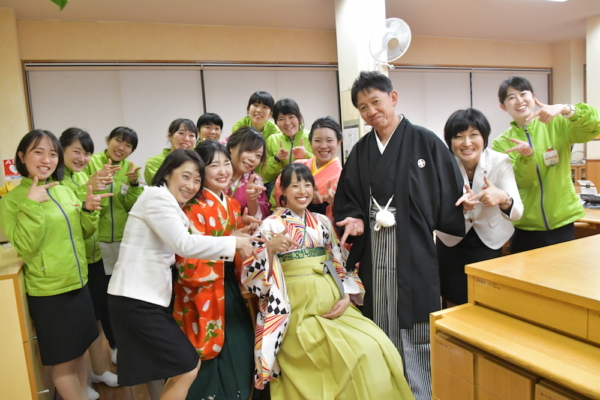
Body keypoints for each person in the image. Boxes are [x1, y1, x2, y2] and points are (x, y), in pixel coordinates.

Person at [333, 71, 465, 400]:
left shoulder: (425, 141)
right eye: (363, 107)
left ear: (393, 98)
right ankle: (386, 390)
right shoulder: (362, 150)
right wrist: (356, 218)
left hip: (415, 246)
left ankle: (421, 392)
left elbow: (449, 192)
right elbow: (348, 197)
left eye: (375, 102)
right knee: (379, 316)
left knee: (416, 320)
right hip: (375, 248)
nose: (371, 111)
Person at [242, 163, 415, 400]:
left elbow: (338, 261)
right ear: (283, 191)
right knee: (346, 356)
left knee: (376, 344)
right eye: (295, 186)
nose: (302, 191)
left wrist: (346, 296)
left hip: (333, 302)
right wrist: (269, 250)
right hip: (294, 310)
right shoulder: (271, 224)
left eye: (307, 185)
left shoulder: (322, 222)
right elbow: (251, 275)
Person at [107, 149, 255, 400]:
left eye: (196, 179)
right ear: (166, 173)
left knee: (182, 367)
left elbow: (192, 239)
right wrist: (233, 243)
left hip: (146, 297)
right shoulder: (157, 198)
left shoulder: (172, 204)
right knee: (186, 365)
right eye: (185, 176)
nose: (191, 185)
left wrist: (233, 237)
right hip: (136, 298)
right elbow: (183, 244)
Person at [0, 129, 111, 400]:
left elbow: (82, 234)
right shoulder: (12, 201)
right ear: (21, 157)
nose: (46, 159)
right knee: (62, 363)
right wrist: (31, 206)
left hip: (79, 283)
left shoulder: (62, 189)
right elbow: (25, 245)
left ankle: (83, 393)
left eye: (52, 154)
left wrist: (88, 210)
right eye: (38, 152)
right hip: (50, 292)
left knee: (80, 351)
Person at [173, 141, 257, 400]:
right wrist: (230, 241)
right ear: (201, 171)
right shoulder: (191, 208)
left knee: (241, 345)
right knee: (205, 352)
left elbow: (237, 244)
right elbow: (187, 260)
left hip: (228, 284)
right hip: (203, 288)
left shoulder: (231, 204)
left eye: (226, 164)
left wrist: (242, 234)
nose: (223, 171)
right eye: (213, 165)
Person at [492, 76, 600, 253]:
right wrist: (526, 158)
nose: (519, 100)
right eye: (511, 97)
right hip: (524, 225)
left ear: (533, 97)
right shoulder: (501, 143)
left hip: (562, 221)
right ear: (503, 107)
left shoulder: (558, 124)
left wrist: (566, 109)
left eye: (523, 94)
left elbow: (595, 126)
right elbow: (521, 182)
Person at [435, 109, 523, 307]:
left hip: (489, 241)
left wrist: (503, 198)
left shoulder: (500, 161)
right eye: (459, 136)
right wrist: (458, 209)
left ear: (484, 137)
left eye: (474, 135)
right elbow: (432, 208)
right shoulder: (441, 163)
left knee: (487, 300)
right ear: (450, 141)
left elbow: (517, 212)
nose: (467, 143)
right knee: (452, 298)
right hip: (451, 240)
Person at [59, 128, 121, 394]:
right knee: (78, 326)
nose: (82, 158)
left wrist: (93, 188)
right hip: (73, 261)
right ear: (61, 150)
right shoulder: (57, 182)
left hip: (93, 256)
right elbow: (70, 218)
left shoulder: (82, 176)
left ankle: (99, 370)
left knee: (95, 318)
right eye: (76, 151)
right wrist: (88, 190)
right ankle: (81, 381)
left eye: (86, 153)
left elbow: (91, 216)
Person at [84, 126, 143, 366]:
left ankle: (131, 342)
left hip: (123, 241)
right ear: (108, 140)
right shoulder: (91, 163)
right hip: (98, 243)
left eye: (128, 145)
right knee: (106, 298)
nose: (122, 147)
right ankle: (115, 345)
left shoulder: (130, 169)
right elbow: (81, 196)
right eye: (119, 140)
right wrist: (95, 181)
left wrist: (135, 185)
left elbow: (132, 206)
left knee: (126, 295)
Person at [271, 116, 342, 223]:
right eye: (317, 140)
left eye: (329, 140)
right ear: (310, 143)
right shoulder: (297, 166)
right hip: (289, 225)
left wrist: (333, 202)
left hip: (323, 229)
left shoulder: (343, 176)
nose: (323, 146)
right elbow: (278, 195)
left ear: (338, 143)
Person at [262, 98, 313, 196]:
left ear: (298, 117)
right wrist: (276, 159)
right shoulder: (272, 140)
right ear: (276, 122)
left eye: (291, 117)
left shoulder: (311, 137)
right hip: (281, 195)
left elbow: (321, 167)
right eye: (281, 119)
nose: (287, 123)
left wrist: (306, 156)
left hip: (306, 194)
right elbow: (267, 176)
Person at [226, 126, 270, 220]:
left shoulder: (255, 180)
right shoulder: (215, 172)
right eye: (248, 150)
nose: (252, 159)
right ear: (232, 147)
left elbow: (258, 218)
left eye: (258, 155)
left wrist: (252, 199)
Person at [144, 118, 198, 184]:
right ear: (170, 136)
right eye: (181, 133)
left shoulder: (198, 162)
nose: (187, 139)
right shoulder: (153, 162)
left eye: (191, 135)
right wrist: (175, 158)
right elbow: (160, 184)